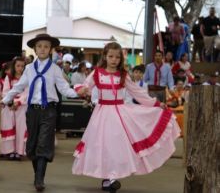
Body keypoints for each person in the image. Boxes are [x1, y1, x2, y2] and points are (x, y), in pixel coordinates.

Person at [73, 42, 180, 192]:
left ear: (121, 59)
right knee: (103, 145)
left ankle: (112, 177)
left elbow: (137, 92)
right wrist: (82, 89)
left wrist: (155, 104)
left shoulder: (123, 75)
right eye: (110, 56)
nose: (114, 60)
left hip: (120, 113)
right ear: (105, 56)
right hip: (102, 113)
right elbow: (84, 85)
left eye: (117, 57)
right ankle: (107, 178)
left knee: (115, 146)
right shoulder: (97, 73)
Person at [0, 33, 78, 191]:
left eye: (46, 46)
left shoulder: (55, 69)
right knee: (32, 145)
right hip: (32, 110)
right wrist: (6, 98)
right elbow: (19, 86)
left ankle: (39, 179)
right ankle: (37, 175)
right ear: (34, 49)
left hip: (48, 110)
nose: (43, 49)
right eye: (40, 46)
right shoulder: (29, 69)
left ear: (51, 50)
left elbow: (63, 88)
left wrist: (78, 92)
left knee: (43, 144)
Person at [0, 57, 28, 161]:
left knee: (21, 128)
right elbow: (5, 91)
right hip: (10, 106)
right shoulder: (9, 77)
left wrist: (19, 102)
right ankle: (10, 151)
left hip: (22, 106)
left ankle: (19, 152)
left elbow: (27, 93)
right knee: (9, 126)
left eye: (22, 66)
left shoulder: (26, 78)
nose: (20, 68)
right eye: (18, 66)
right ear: (14, 66)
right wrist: (11, 102)